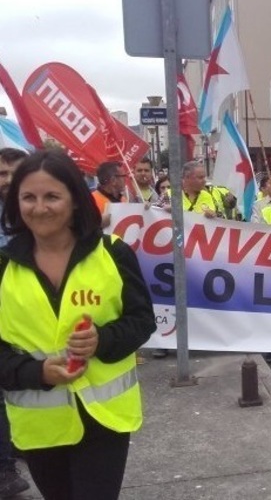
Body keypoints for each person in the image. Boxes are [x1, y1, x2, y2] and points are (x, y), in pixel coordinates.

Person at [0, 149, 156, 498]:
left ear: (74, 200)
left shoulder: (113, 252)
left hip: (105, 421)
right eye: (28, 197)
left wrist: (102, 339)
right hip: (39, 427)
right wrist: (36, 373)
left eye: (52, 196)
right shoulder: (3, 268)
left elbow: (142, 321)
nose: (39, 208)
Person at [0, 148, 30, 498]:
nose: (7, 180)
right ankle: (4, 467)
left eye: (14, 173)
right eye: (2, 173)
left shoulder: (41, 211)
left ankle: (17, 444)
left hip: (30, 319)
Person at [91, 161, 127, 228]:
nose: (125, 179)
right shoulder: (91, 200)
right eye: (123, 176)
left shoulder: (123, 199)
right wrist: (98, 224)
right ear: (113, 180)